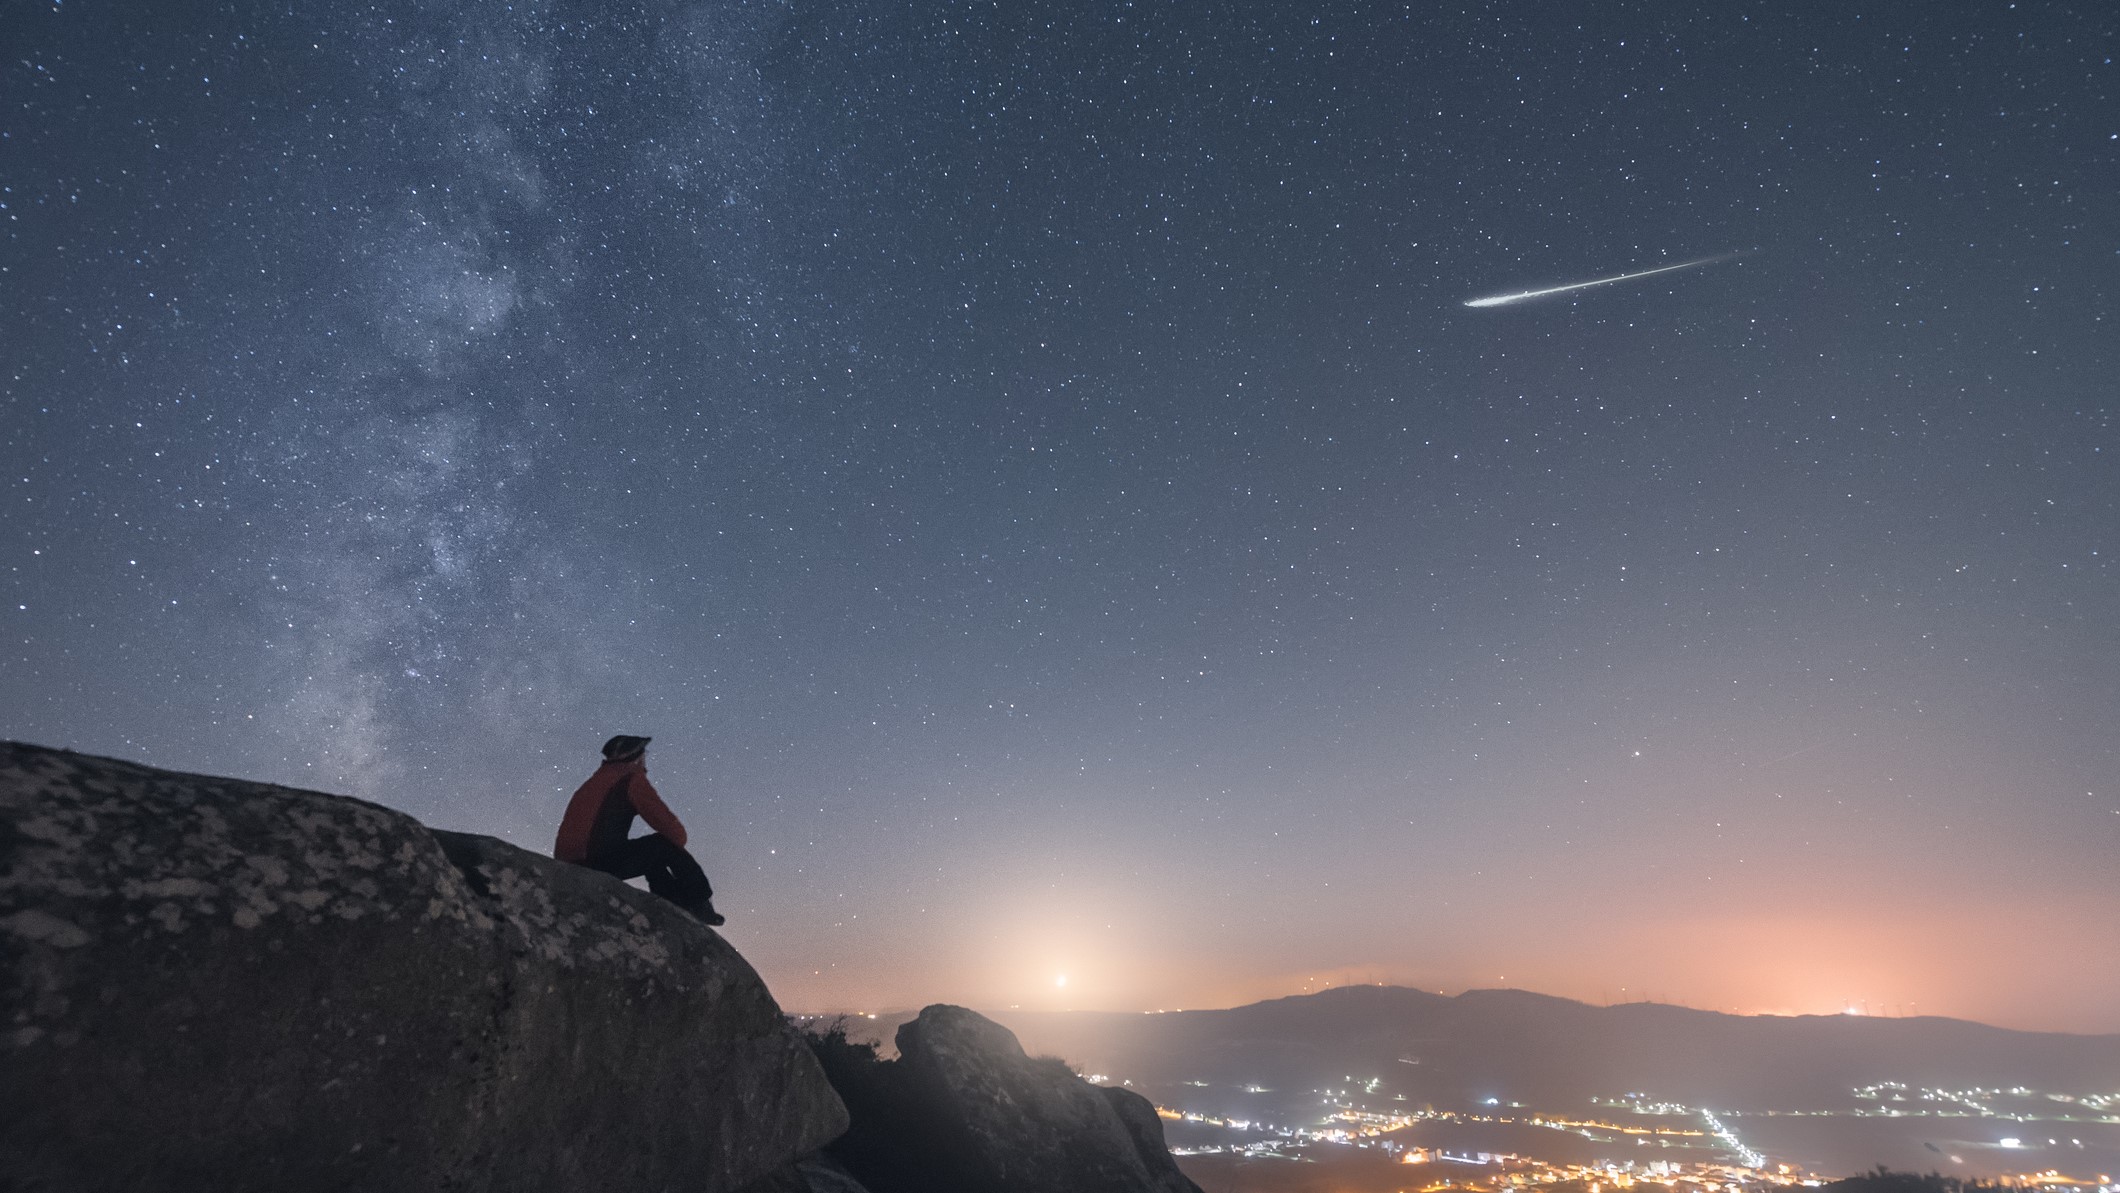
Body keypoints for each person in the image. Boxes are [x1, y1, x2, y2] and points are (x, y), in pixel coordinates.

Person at [554, 734, 723, 925]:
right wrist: (675, 846)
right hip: (594, 861)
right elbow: (674, 832)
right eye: (645, 754)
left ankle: (672, 903)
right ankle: (698, 903)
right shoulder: (629, 778)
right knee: (662, 845)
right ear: (638, 757)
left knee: (651, 853)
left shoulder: (594, 782)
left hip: (571, 861)